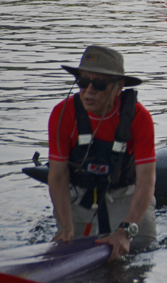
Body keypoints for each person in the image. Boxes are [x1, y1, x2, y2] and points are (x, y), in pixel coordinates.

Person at [47, 45, 157, 262]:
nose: (89, 90)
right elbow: (58, 175)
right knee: (69, 251)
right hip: (79, 194)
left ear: (119, 87)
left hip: (124, 192)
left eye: (99, 84)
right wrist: (66, 226)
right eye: (83, 82)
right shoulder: (62, 114)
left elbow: (146, 181)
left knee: (142, 249)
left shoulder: (139, 117)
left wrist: (125, 232)